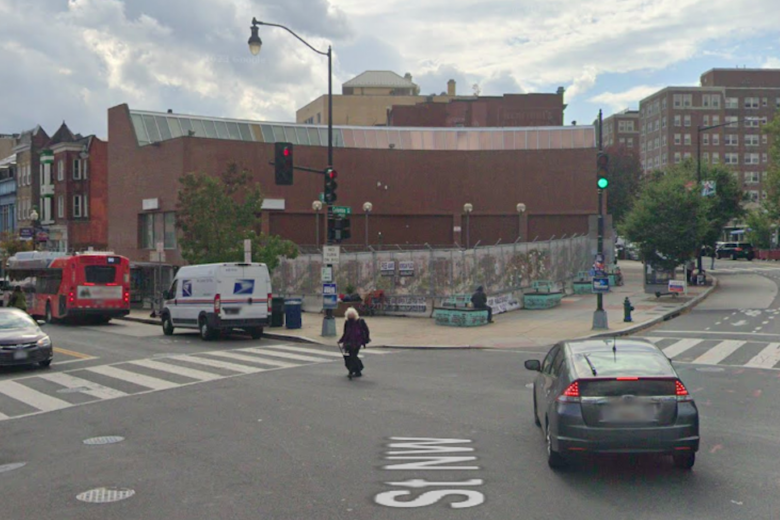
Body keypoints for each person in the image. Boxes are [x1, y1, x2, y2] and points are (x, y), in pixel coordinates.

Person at [338, 308, 370, 379]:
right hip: (349, 342)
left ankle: (351, 371)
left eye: (352, 316)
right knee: (352, 356)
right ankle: (358, 370)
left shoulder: (360, 321)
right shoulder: (347, 322)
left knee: (353, 356)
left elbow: (366, 331)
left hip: (357, 342)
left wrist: (366, 339)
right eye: (349, 316)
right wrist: (341, 340)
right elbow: (345, 332)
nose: (351, 317)